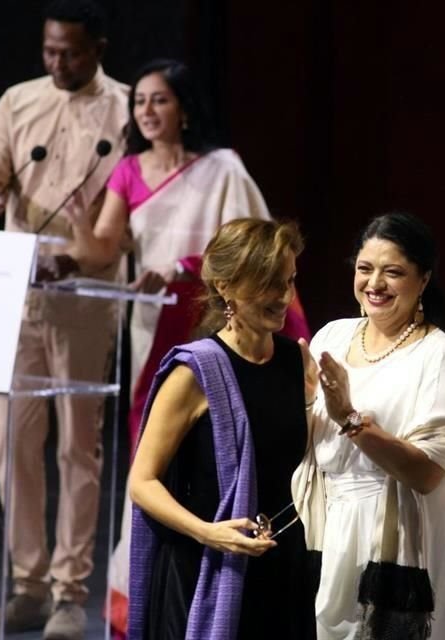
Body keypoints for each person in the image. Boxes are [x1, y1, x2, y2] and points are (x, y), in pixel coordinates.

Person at [62, 58, 309, 635]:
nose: (147, 111)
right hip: (159, 332)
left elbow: (250, 246)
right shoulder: (126, 170)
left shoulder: (220, 169)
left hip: (282, 560)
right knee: (177, 462)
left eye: (160, 100)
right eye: (140, 101)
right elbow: (101, 248)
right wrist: (75, 232)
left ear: (186, 107)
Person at [0, 1, 128, 637]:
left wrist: (86, 256)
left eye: (72, 53)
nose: (58, 63)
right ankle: (28, 585)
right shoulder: (17, 100)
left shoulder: (123, 109)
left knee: (75, 449)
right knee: (12, 445)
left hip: (84, 296)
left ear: (99, 48)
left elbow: (131, 201)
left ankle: (68, 591)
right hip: (12, 291)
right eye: (50, 51)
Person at [296, 212, 445, 639]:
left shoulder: (440, 357)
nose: (375, 284)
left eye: (393, 272)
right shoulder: (332, 337)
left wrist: (349, 417)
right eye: (365, 269)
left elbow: (424, 474)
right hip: (332, 519)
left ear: (423, 280)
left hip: (406, 531)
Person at [127, 218, 317, 640]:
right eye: (270, 284)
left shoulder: (297, 361)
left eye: (289, 282)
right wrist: (210, 533)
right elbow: (142, 482)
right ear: (226, 287)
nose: (283, 297)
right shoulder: (195, 371)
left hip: (281, 568)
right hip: (205, 568)